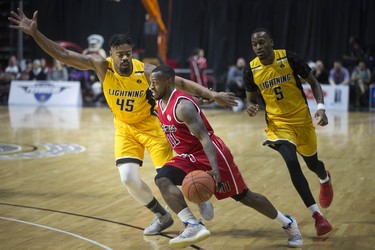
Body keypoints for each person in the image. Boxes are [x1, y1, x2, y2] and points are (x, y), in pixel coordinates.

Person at [9, 8, 238, 235]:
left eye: (128, 52)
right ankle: (162, 216)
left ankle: (198, 197)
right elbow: (64, 55)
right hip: (124, 128)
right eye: (120, 54)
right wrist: (36, 34)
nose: (126, 57)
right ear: (111, 54)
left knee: (171, 176)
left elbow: (181, 83)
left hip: (152, 127)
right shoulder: (101, 66)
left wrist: (212, 95)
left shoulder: (146, 71)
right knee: (127, 177)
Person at [150, 64, 303, 248]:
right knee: (162, 179)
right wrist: (208, 99)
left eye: (155, 83)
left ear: (168, 82)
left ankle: (287, 222)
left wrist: (215, 169)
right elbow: (194, 100)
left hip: (212, 153)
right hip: (187, 156)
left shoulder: (183, 107)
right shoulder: (160, 101)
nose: (151, 87)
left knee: (245, 197)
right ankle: (192, 224)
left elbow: (205, 139)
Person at [243, 28, 333, 237]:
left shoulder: (289, 58)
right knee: (291, 162)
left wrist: (321, 107)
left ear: (271, 42)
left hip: (302, 120)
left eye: (262, 42)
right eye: (254, 44)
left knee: (313, 164)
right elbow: (251, 99)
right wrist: (251, 106)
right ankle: (317, 216)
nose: (258, 47)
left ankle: (324, 179)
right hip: (278, 125)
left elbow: (313, 82)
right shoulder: (250, 70)